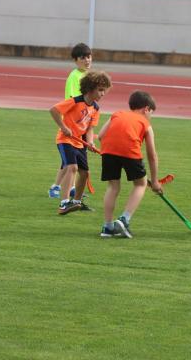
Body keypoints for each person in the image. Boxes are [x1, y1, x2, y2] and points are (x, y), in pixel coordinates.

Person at [97, 91, 162, 238]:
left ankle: (107, 227)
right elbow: (152, 155)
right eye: (151, 112)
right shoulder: (146, 124)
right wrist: (155, 181)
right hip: (130, 152)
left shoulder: (116, 114)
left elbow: (100, 136)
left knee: (113, 186)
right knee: (140, 184)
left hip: (108, 151)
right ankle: (124, 219)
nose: (150, 116)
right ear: (146, 109)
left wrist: (110, 149)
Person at [49, 70, 112, 215]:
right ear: (90, 88)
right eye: (100, 90)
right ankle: (64, 203)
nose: (103, 94)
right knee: (72, 168)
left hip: (79, 143)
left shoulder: (95, 108)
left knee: (85, 173)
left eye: (105, 91)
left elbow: (90, 128)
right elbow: (53, 110)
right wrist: (64, 127)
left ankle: (76, 202)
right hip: (65, 140)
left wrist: (90, 142)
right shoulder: (75, 101)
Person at [48, 43, 93, 199]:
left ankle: (68, 187)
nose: (87, 60)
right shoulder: (75, 76)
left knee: (70, 161)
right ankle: (57, 188)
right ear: (76, 60)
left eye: (89, 57)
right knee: (69, 162)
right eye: (83, 58)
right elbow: (75, 100)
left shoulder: (87, 75)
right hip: (72, 122)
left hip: (81, 122)